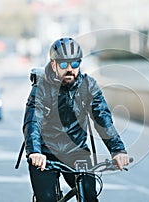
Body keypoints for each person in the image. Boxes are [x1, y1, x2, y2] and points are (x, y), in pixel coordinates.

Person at [22, 37, 130, 202]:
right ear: (54, 65)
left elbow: (103, 119)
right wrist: (35, 152)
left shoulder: (89, 86)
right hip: (45, 155)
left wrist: (118, 150)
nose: (70, 69)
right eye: (64, 65)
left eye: (75, 64)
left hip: (77, 153)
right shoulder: (41, 88)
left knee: (89, 197)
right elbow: (32, 123)